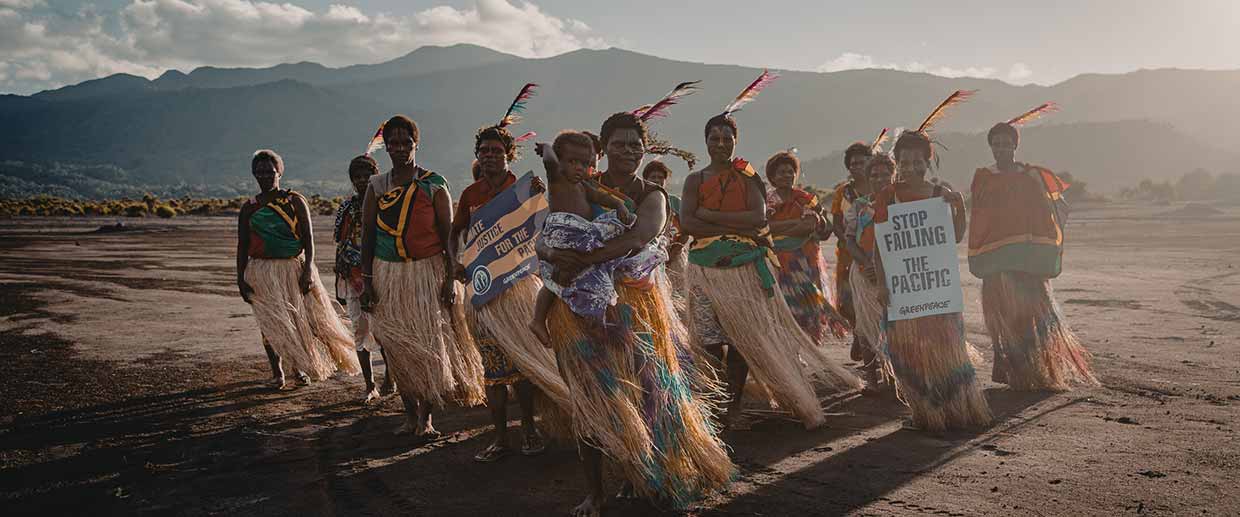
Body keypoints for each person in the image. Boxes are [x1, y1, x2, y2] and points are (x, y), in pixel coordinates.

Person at [537, 116, 732, 516]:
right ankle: (595, 493)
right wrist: (554, 255)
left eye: (635, 145)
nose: (629, 151)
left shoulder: (652, 194)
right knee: (591, 398)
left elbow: (637, 238)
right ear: (603, 148)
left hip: (635, 311)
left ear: (645, 150)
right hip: (577, 309)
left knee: (647, 394)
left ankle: (647, 474)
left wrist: (583, 259)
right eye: (620, 144)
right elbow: (546, 232)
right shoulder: (578, 185)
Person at [682, 113, 860, 431]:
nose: (721, 144)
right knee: (708, 343)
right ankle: (714, 403)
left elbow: (756, 219)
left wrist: (710, 215)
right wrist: (725, 220)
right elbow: (689, 223)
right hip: (704, 267)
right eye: (715, 138)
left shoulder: (747, 177)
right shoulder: (695, 179)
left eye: (727, 138)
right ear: (706, 141)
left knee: (741, 339)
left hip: (744, 266)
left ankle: (732, 407)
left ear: (735, 142)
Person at [360, 115, 484, 438]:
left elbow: (448, 237)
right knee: (397, 346)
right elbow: (368, 237)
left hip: (426, 273)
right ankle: (408, 413)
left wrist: (449, 278)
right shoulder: (376, 187)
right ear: (385, 146)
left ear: (417, 144)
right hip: (388, 273)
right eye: (393, 143)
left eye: (406, 142)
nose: (400, 148)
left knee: (427, 343)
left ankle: (426, 418)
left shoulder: (433, 184)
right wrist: (368, 281)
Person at [451, 123, 566, 462]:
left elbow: (547, 226)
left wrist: (541, 194)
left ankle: (529, 429)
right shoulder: (471, 195)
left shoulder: (525, 187)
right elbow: (455, 231)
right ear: (477, 155)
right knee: (493, 372)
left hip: (519, 288)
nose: (489, 156)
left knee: (525, 368)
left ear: (509, 155)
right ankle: (500, 438)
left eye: (496, 151)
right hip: (484, 295)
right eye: (484, 151)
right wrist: (454, 262)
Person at [872, 130, 991, 431]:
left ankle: (955, 408)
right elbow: (879, 247)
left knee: (945, 351)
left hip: (937, 292)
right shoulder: (888, 196)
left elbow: (956, 236)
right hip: (903, 292)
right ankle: (925, 413)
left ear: (928, 162)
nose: (911, 167)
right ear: (896, 162)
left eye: (917, 161)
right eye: (904, 161)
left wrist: (959, 205)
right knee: (908, 354)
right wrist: (882, 284)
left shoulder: (940, 194)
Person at [970, 115, 1097, 391]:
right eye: (996, 143)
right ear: (991, 147)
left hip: (1025, 260)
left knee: (1029, 320)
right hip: (996, 257)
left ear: (1015, 146)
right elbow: (979, 212)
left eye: (1006, 143)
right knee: (1001, 318)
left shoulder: (1031, 177)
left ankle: (1034, 371)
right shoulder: (984, 177)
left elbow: (1052, 209)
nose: (1001, 148)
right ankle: (1011, 368)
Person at [236, 149, 360, 389]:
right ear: (253, 174)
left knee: (298, 321)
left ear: (279, 172)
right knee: (270, 324)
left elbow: (308, 238)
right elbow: (242, 245)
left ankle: (299, 367)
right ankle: (277, 372)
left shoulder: (293, 201)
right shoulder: (249, 208)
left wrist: (307, 271)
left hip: (292, 268)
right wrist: (240, 278)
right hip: (261, 271)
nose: (264, 176)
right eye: (259, 171)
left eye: (269, 171)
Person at [528, 135, 638, 342]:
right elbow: (550, 162)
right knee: (554, 282)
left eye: (584, 163)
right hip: (563, 234)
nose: (579, 168)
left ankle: (597, 323)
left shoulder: (584, 185)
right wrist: (547, 148)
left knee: (584, 282)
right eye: (572, 161)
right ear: (560, 162)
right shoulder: (558, 179)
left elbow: (600, 197)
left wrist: (619, 206)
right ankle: (538, 320)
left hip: (582, 238)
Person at [764, 150, 848, 344]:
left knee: (810, 307)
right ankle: (793, 351)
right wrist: (796, 224)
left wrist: (786, 227)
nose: (786, 175)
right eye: (781, 172)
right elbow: (765, 227)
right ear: (773, 178)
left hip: (806, 262)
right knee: (786, 308)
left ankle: (808, 349)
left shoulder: (805, 198)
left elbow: (811, 226)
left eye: (790, 171)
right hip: (780, 264)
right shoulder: (769, 201)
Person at [335, 155, 397, 402]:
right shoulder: (347, 208)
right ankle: (370, 384)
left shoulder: (387, 203)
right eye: (356, 176)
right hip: (353, 276)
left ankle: (391, 378)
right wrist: (339, 277)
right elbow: (341, 243)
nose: (361, 180)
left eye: (366, 175)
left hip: (384, 273)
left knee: (385, 329)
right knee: (359, 329)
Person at [844, 153, 898, 393]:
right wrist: (867, 265)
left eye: (885, 174)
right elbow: (849, 240)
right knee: (866, 325)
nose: (880, 179)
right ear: (868, 178)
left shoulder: (901, 203)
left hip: (895, 271)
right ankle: (871, 376)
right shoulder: (860, 205)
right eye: (874, 175)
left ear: (893, 176)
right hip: (864, 271)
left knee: (895, 325)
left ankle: (895, 375)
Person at [831, 142, 875, 362]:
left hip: (876, 255)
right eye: (853, 163)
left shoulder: (882, 187)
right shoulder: (843, 193)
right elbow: (836, 222)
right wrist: (849, 240)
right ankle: (860, 334)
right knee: (849, 304)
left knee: (872, 301)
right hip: (849, 256)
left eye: (862, 161)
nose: (857, 166)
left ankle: (869, 345)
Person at [642, 160, 692, 291]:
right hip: (648, 257)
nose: (657, 180)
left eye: (661, 177)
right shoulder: (640, 201)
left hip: (675, 256)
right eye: (653, 177)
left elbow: (686, 231)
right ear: (645, 179)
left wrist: (672, 255)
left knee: (675, 291)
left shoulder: (675, 202)